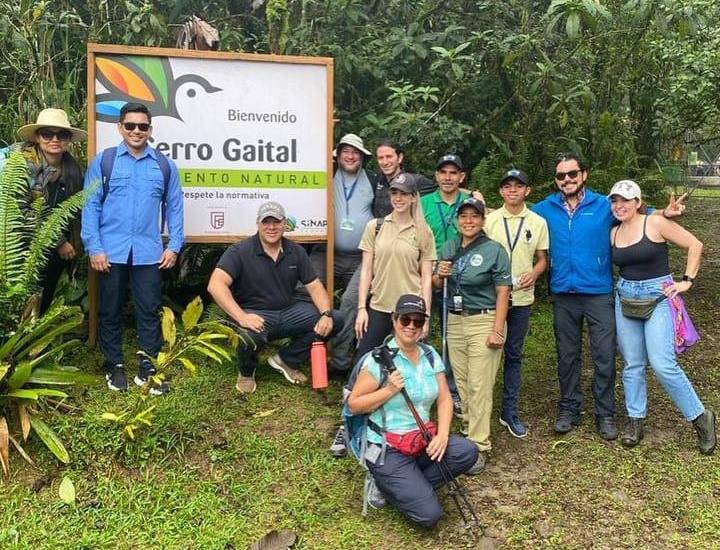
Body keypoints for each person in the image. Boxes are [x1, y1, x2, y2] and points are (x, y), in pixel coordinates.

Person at [531, 152, 685, 439]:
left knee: (603, 356)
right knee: (567, 355)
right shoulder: (546, 208)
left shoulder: (604, 204)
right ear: (556, 180)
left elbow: (634, 213)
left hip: (598, 293)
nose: (567, 180)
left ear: (583, 175)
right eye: (561, 176)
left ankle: (605, 414)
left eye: (572, 174)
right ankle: (569, 408)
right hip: (564, 293)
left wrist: (663, 213)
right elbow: (519, 215)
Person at [347, 294, 478, 527]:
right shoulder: (378, 360)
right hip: (388, 447)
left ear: (423, 325)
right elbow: (354, 405)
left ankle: (407, 484)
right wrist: (388, 390)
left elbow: (445, 398)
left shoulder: (429, 354)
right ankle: (387, 483)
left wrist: (443, 435)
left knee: (467, 451)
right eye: (405, 320)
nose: (410, 326)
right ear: (394, 320)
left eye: (417, 321)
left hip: (420, 441)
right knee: (429, 516)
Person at [82, 102, 184, 393]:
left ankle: (148, 366)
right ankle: (114, 365)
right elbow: (90, 208)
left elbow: (175, 208)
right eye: (130, 125)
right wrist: (94, 247)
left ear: (150, 130)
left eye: (142, 126)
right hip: (110, 252)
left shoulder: (164, 166)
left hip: (148, 253)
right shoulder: (105, 162)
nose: (136, 131)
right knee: (110, 310)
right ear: (120, 128)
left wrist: (174, 246)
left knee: (149, 310)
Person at [608, 180, 715, 454]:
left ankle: (701, 417)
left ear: (637, 202)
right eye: (615, 201)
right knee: (632, 364)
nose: (619, 205)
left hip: (658, 297)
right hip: (626, 298)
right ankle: (635, 420)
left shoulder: (654, 223)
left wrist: (687, 280)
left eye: (626, 200)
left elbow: (695, 244)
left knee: (662, 363)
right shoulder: (614, 233)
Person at [207, 201, 343, 394]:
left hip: (289, 312)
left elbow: (315, 286)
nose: (271, 227)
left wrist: (326, 313)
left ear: (284, 223)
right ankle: (246, 372)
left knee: (335, 319)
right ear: (258, 224)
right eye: (266, 222)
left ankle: (286, 360)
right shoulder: (240, 251)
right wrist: (242, 317)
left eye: (276, 222)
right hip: (256, 314)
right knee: (248, 335)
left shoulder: (295, 251)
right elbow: (215, 285)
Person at [434, 197, 511, 473]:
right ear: (458, 220)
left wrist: (497, 329)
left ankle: (479, 446)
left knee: (480, 385)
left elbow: (503, 292)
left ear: (482, 220)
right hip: (455, 320)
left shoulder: (494, 250)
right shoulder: (450, 246)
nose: (468, 221)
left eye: (474, 216)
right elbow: (436, 281)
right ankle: (468, 432)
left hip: (484, 319)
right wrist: (439, 273)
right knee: (463, 384)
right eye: (463, 216)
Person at [484, 169, 548, 438]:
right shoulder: (489, 221)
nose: (512, 190)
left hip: (522, 299)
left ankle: (509, 411)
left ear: (527, 191)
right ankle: (481, 411)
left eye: (518, 186)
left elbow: (543, 259)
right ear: (501, 191)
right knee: (487, 355)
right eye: (507, 186)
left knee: (514, 354)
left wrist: (534, 273)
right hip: (491, 299)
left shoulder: (537, 222)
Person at [6, 108, 87, 314]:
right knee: (20, 301)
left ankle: (36, 344)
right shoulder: (21, 165)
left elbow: (75, 209)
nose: (54, 139)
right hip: (20, 247)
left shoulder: (73, 168)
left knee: (46, 295)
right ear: (37, 137)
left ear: (69, 139)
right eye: (47, 134)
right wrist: (59, 241)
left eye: (62, 135)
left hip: (56, 251)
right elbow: (19, 211)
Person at [308, 134, 376, 378]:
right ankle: (309, 347)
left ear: (363, 157)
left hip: (362, 257)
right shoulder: (324, 174)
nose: (350, 156)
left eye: (355, 152)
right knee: (306, 288)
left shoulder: (374, 180)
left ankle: (340, 360)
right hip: (327, 252)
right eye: (345, 151)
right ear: (337, 155)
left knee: (350, 301)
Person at [355, 173, 436, 358]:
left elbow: (426, 278)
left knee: (408, 363)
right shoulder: (374, 227)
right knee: (364, 360)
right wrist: (361, 309)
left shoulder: (424, 232)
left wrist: (427, 316)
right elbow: (366, 271)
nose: (398, 198)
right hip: (379, 306)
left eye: (404, 194)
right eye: (394, 193)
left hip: (410, 311)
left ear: (413, 198)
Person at [372, 139, 437, 217]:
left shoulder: (416, 181)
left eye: (389, 156)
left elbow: (440, 196)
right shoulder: (377, 181)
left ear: (400, 158)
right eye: (381, 158)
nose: (385, 162)